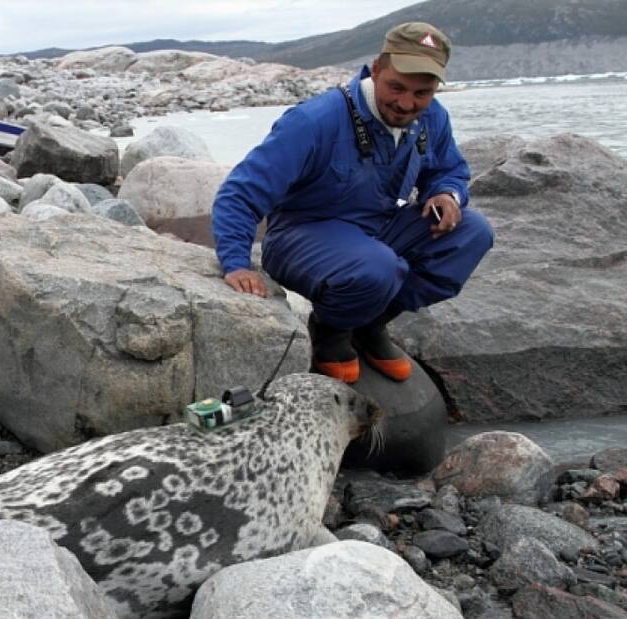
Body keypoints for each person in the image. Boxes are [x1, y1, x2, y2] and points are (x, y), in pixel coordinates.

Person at [211, 22, 493, 384]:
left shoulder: (431, 117)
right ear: (376, 69)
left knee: (473, 232)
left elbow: (449, 169)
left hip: (376, 233)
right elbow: (240, 193)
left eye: (421, 93)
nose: (406, 103)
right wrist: (235, 263)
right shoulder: (314, 121)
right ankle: (331, 330)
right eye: (396, 87)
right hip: (301, 237)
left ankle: (370, 321)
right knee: (377, 267)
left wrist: (446, 194)